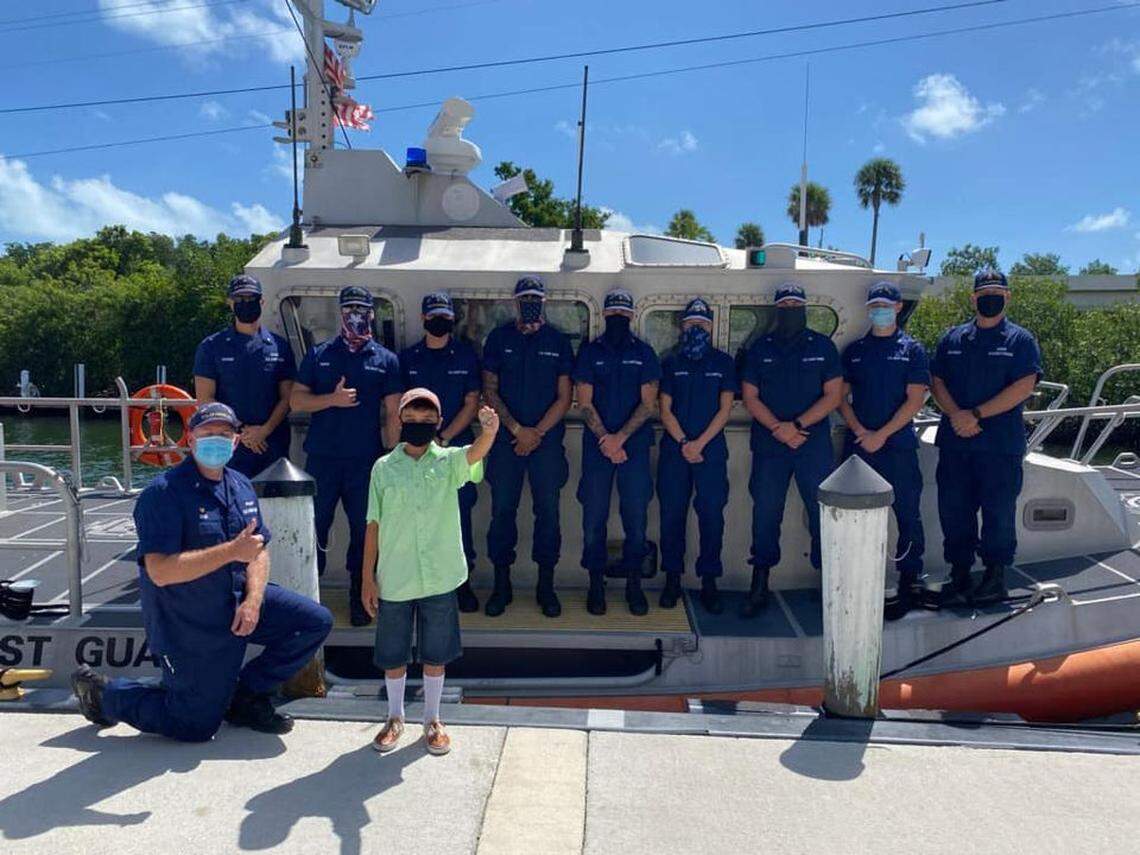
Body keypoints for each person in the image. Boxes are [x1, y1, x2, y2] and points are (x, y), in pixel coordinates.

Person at [70, 403, 333, 742]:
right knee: (194, 726)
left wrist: (253, 601)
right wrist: (231, 552)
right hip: (188, 622)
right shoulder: (163, 494)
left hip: (236, 601)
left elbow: (258, 550)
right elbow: (160, 571)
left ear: (235, 441)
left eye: (224, 434)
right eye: (208, 433)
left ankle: (244, 696)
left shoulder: (241, 485)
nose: (216, 440)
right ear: (191, 440)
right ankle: (106, 695)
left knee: (313, 622)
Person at [361, 389, 499, 756]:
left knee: (436, 653)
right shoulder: (382, 468)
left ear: (439, 422)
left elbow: (475, 454)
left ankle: (433, 720)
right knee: (392, 653)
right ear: (399, 421)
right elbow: (373, 524)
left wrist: (489, 431)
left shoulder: (449, 462)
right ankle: (394, 717)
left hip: (439, 575)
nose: (418, 425)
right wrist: (367, 578)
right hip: (396, 575)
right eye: (411, 419)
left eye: (426, 420)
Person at [290, 286, 402, 626]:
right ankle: (308, 595)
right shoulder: (319, 355)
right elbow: (296, 400)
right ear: (340, 312)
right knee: (315, 526)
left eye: (362, 309)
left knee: (364, 530)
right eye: (350, 308)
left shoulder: (386, 360)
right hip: (322, 459)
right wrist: (331, 400)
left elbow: (394, 412)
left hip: (365, 462)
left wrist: (393, 457)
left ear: (372, 313)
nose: (356, 315)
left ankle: (359, 593)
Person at [930, 269, 1042, 606]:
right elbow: (937, 381)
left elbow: (1024, 386)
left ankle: (995, 579)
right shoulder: (952, 339)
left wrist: (975, 415)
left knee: (998, 512)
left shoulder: (1021, 341)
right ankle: (959, 575)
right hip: (956, 443)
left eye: (997, 292)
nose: (990, 298)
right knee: (954, 510)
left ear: (1007, 297)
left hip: (999, 445)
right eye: (984, 293)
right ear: (973, 298)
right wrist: (957, 415)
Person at [740, 283, 842, 617]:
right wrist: (778, 429)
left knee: (821, 513)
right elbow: (750, 396)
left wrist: (796, 426)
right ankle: (759, 584)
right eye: (784, 305)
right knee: (766, 513)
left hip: (812, 445)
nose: (790, 310)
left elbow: (833, 395)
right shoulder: (760, 348)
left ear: (804, 308)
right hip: (770, 446)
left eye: (795, 304)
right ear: (776, 310)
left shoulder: (823, 347)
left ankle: (828, 583)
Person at [482, 276, 574, 618]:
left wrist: (536, 433)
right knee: (502, 513)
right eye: (525, 298)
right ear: (515, 302)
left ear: (544, 302)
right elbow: (489, 390)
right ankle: (501, 585)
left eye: (536, 298)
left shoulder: (558, 342)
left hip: (546, 444)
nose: (530, 303)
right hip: (506, 443)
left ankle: (545, 586)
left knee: (548, 515)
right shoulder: (498, 339)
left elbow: (565, 397)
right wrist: (518, 430)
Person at [838, 282, 930, 619]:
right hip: (860, 446)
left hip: (898, 446)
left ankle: (909, 580)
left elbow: (915, 400)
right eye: (874, 305)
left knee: (908, 514)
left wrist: (882, 434)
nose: (880, 311)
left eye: (886, 305)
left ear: (897, 307)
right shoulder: (855, 351)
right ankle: (858, 579)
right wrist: (861, 431)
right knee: (854, 517)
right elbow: (841, 398)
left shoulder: (912, 350)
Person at [573, 288, 661, 616]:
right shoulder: (590, 352)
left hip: (633, 448)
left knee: (635, 520)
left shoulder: (645, 353)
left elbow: (649, 403)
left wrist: (620, 438)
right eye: (613, 313)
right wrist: (606, 440)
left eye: (623, 314)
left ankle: (634, 584)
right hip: (598, 449)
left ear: (632, 316)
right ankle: (595, 584)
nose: (618, 318)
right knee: (593, 519)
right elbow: (584, 402)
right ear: (604, 315)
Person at [399, 291, 482, 613]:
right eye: (434, 316)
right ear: (423, 318)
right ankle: (418, 585)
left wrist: (443, 438)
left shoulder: (465, 356)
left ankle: (462, 583)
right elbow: (398, 406)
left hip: (454, 448)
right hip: (414, 451)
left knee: (459, 519)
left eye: (445, 316)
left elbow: (471, 403)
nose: (440, 321)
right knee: (415, 518)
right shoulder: (409, 358)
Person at [656, 298, 737, 615]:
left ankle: (709, 580)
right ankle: (672, 579)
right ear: (682, 326)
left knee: (711, 516)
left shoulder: (724, 363)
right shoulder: (671, 362)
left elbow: (725, 409)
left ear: (711, 327)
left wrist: (699, 444)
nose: (697, 328)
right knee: (671, 515)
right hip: (675, 451)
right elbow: (665, 409)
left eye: (702, 323)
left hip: (710, 451)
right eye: (691, 323)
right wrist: (684, 442)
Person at [193, 274, 296, 478]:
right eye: (239, 299)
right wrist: (243, 431)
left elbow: (287, 397)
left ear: (261, 302)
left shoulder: (280, 346)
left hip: (272, 444)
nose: (245, 303)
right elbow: (205, 399)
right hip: (228, 444)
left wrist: (264, 431)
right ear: (230, 303)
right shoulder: (211, 347)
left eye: (251, 298)